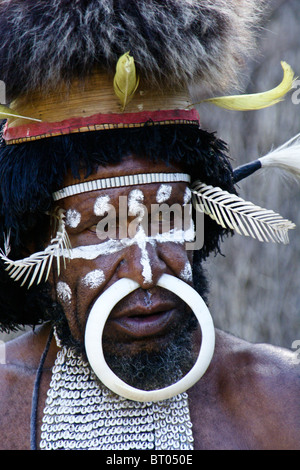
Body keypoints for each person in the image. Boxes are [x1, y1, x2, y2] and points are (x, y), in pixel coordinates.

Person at [0, 0, 299, 451]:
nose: (145, 269)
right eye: (102, 228)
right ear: (39, 239)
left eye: (168, 219)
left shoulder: (281, 401)